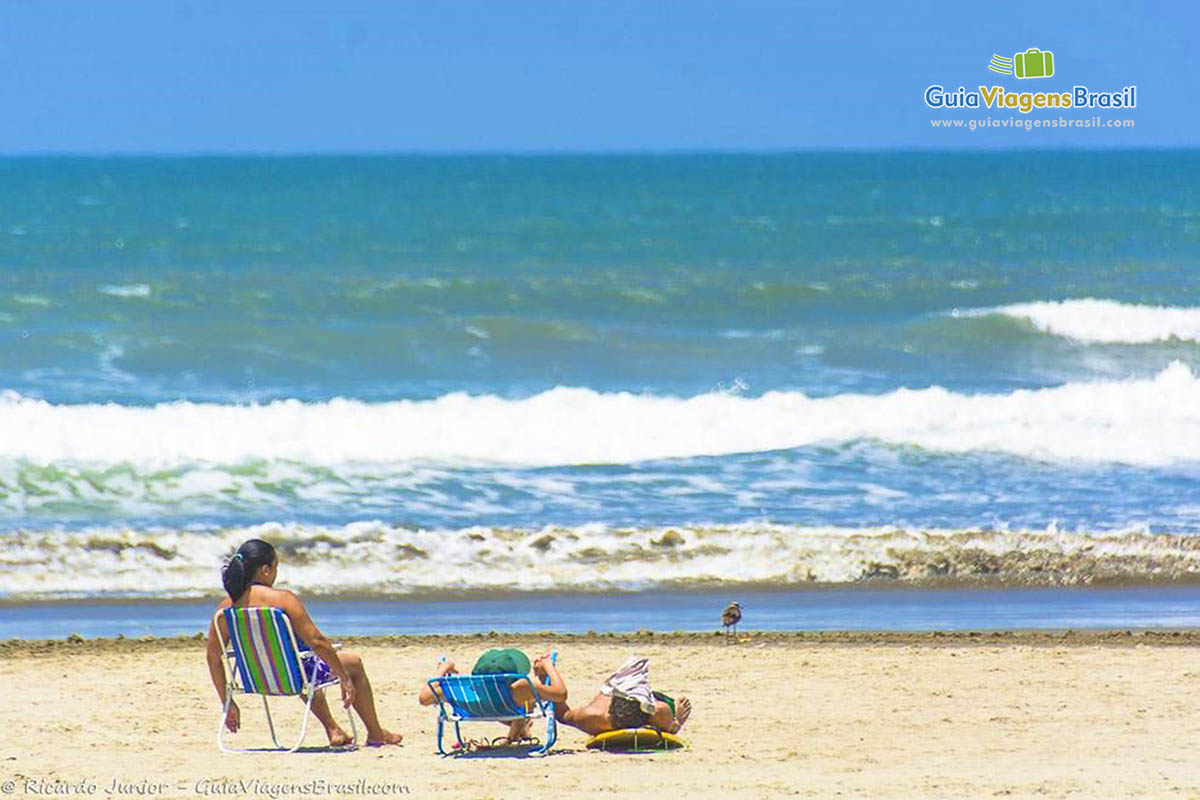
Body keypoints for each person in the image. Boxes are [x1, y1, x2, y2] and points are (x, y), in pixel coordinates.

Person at [204, 539, 403, 747]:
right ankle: (375, 733)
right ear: (265, 570)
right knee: (351, 663)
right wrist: (344, 677)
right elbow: (317, 642)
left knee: (298, 660)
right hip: (294, 676)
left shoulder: (225, 609)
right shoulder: (282, 600)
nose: (275, 573)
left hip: (257, 679)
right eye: (275, 567)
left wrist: (227, 703)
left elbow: (212, 657)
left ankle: (333, 729)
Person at [419, 648, 567, 744]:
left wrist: (442, 669)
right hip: (509, 710)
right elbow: (561, 694)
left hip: (479, 711)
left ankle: (517, 733)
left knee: (521, 699)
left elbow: (424, 698)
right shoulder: (521, 687)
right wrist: (549, 667)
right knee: (528, 699)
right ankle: (518, 731)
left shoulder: (464, 689)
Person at [554, 656, 691, 736]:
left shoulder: (659, 710)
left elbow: (563, 715)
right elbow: (563, 716)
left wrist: (548, 674)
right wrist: (676, 723)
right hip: (617, 696)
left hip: (638, 702)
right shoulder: (594, 715)